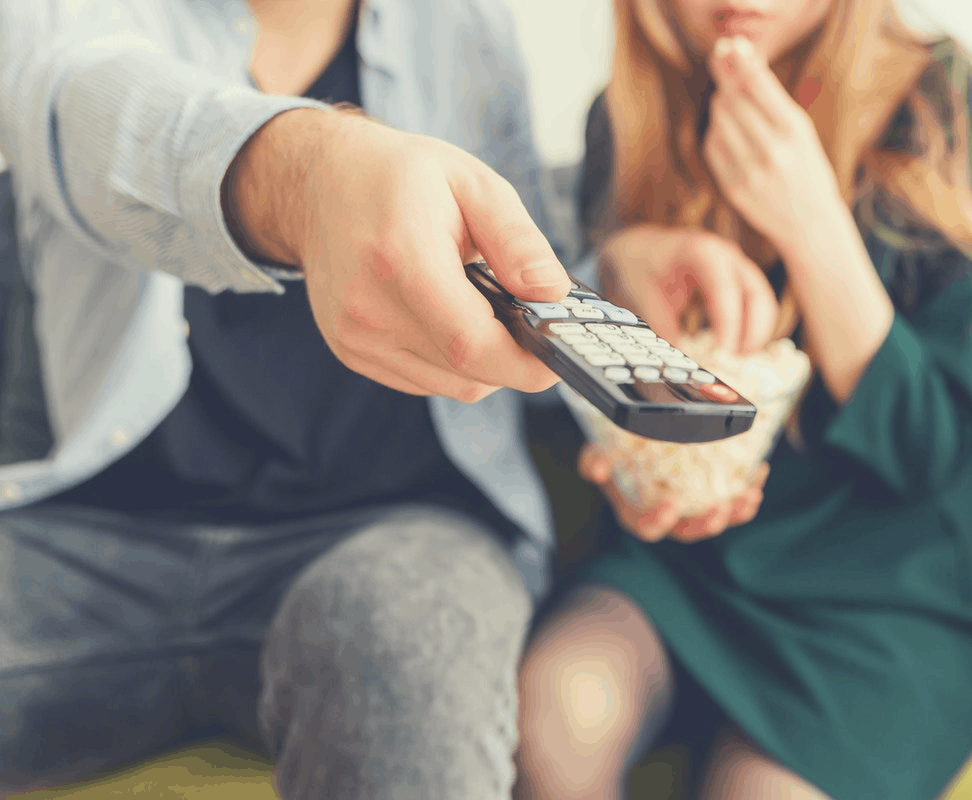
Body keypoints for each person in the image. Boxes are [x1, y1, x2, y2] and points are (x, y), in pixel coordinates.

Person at [0, 1, 736, 798]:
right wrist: (315, 178)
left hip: (401, 529)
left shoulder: (462, 23)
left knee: (403, 642)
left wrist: (610, 269)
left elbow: (520, 254)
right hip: (95, 537)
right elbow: (89, 112)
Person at [514, 1, 972, 798]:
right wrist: (618, 271)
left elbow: (928, 449)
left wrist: (811, 221)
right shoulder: (626, 115)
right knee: (552, 714)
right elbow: (621, 413)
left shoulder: (944, 104)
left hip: (882, 592)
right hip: (687, 569)